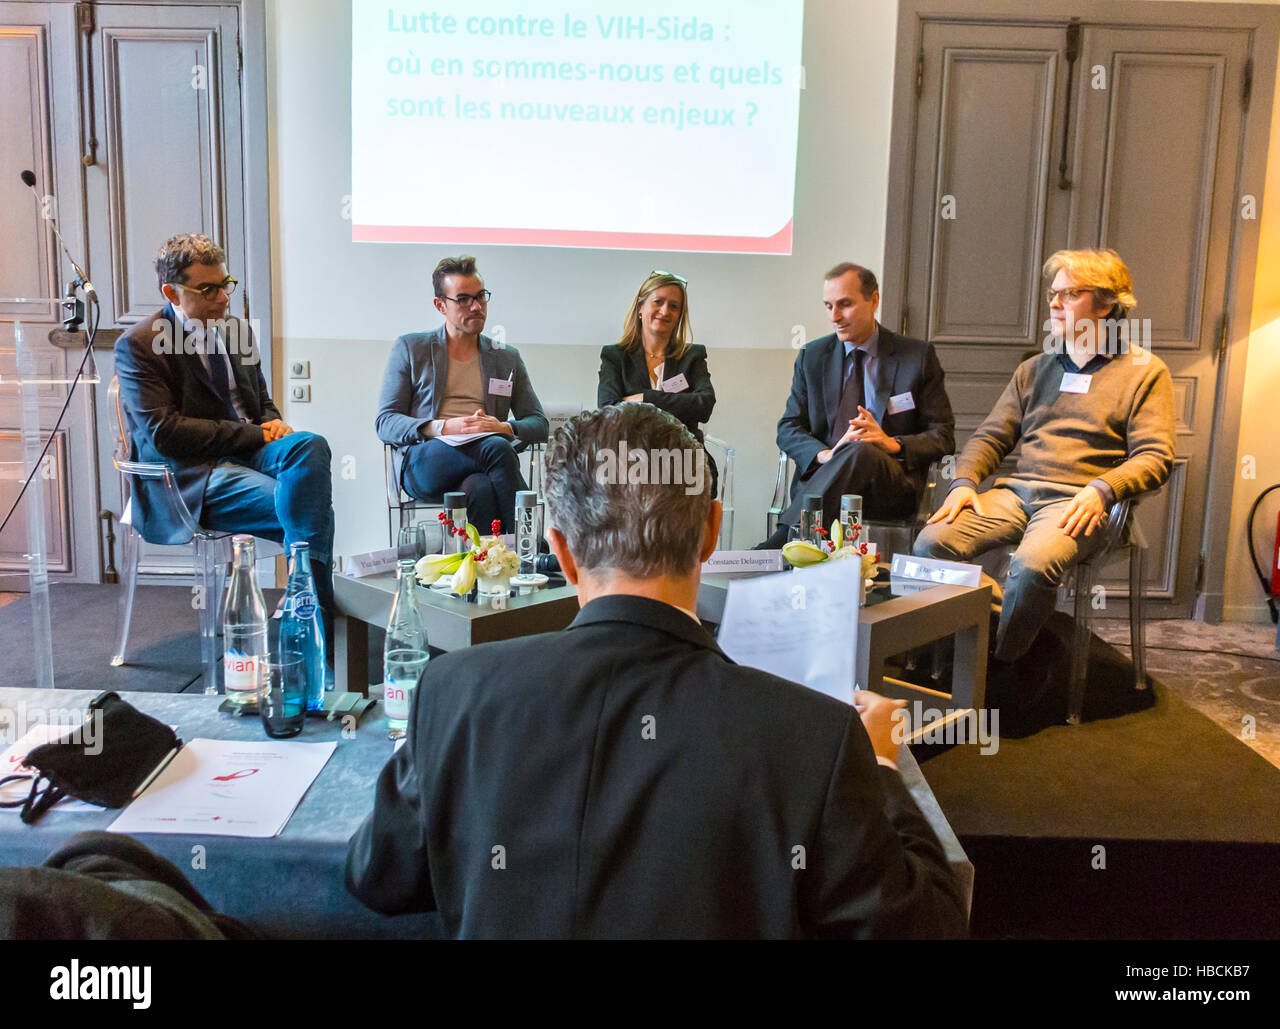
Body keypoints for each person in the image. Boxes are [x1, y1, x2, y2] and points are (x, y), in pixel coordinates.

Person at [346, 404, 967, 939]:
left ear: (560, 551)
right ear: (710, 535)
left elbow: (376, 876)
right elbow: (930, 924)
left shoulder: (454, 694)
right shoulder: (819, 736)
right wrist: (883, 767)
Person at [915, 248, 1175, 665]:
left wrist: (1104, 489)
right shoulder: (1035, 369)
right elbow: (991, 435)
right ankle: (989, 635)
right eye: (1053, 293)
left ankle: (1004, 664)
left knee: (1033, 567)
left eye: (1069, 294)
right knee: (931, 545)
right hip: (1016, 495)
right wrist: (963, 484)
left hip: (1079, 503)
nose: (1053, 303)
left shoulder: (1144, 372)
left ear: (1107, 304)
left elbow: (1156, 457)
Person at [115, 234, 336, 647]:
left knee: (310, 446)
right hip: (189, 476)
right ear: (171, 292)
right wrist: (255, 432)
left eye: (225, 284)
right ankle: (315, 614)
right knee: (311, 507)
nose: (223, 298)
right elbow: (165, 433)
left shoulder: (236, 331)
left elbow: (261, 402)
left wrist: (275, 426)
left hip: (252, 452)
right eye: (208, 289)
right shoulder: (140, 345)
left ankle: (303, 603)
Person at [758, 263, 955, 548]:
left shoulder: (917, 357)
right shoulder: (812, 356)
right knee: (853, 450)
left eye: (845, 305)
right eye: (828, 306)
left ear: (874, 300)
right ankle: (795, 543)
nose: (834, 317)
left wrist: (892, 443)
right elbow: (788, 427)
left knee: (862, 449)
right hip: (822, 483)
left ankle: (782, 542)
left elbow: (943, 436)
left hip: (889, 488)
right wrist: (826, 455)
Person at [375, 255, 547, 533]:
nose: (476, 306)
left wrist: (503, 426)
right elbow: (385, 422)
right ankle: (532, 553)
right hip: (426, 462)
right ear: (440, 305)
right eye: (464, 299)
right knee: (496, 448)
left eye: (481, 297)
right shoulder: (411, 347)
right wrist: (443, 427)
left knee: (479, 487)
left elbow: (539, 424)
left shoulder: (506, 357)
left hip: (484, 464)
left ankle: (488, 569)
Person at [597, 271, 719, 497]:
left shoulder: (692, 355)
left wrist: (645, 399)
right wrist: (680, 405)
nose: (665, 311)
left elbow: (704, 404)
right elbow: (608, 410)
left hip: (684, 455)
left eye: (674, 306)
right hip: (632, 456)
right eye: (658, 302)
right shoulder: (615, 356)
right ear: (641, 307)